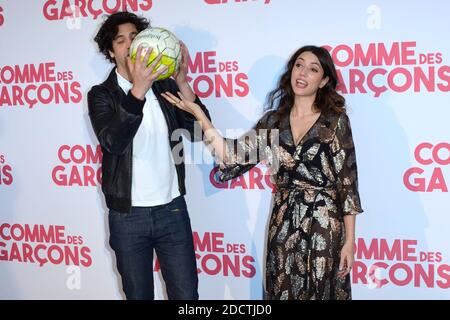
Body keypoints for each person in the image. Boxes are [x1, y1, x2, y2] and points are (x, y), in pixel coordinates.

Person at [161, 45, 363, 300]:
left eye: (313, 69)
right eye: (299, 65)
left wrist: (350, 241)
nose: (302, 73)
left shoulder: (335, 121)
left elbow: (347, 184)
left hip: (325, 224)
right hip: (283, 222)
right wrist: (200, 114)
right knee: (281, 288)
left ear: (323, 81)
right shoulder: (273, 121)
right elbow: (230, 157)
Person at [87, 11, 210, 300]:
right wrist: (137, 91)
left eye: (134, 37)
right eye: (121, 41)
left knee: (187, 296)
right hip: (128, 217)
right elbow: (113, 142)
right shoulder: (101, 95)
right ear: (110, 51)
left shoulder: (165, 84)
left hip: (172, 211)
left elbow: (199, 131)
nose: (130, 45)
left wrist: (182, 82)